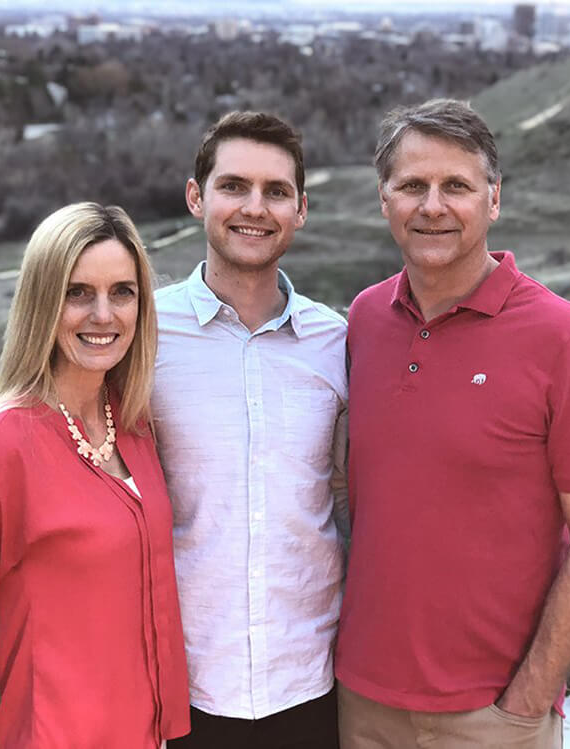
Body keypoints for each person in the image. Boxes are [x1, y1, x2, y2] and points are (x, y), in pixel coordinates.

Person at [335, 99, 570, 749]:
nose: (432, 205)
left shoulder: (566, 338)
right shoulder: (362, 320)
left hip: (492, 715)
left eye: (456, 187)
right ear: (383, 199)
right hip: (359, 696)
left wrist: (524, 703)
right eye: (411, 185)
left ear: (492, 201)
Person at [0, 202, 190, 748]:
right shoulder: (3, 444)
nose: (103, 315)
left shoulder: (134, 424)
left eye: (122, 292)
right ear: (43, 301)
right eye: (77, 292)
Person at [153, 112, 348, 749]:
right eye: (234, 185)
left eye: (276, 191)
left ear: (301, 209)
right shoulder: (142, 335)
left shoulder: (337, 342)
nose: (254, 208)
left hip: (313, 684)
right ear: (196, 197)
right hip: (181, 681)